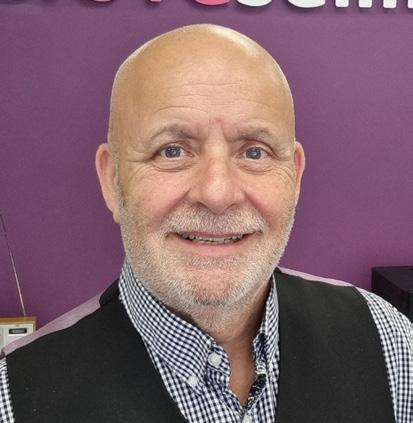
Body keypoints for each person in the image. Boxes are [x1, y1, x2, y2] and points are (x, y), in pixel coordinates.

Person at [0, 24, 411, 423]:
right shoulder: (14, 399)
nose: (217, 193)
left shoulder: (388, 343)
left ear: (295, 176)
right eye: (172, 150)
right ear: (112, 180)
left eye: (254, 152)